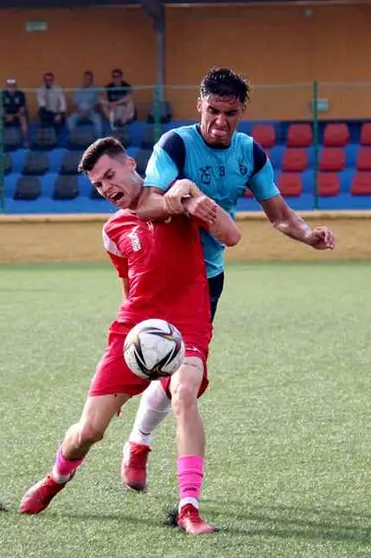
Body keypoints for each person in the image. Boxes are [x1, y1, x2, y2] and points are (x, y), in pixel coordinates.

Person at [119, 67, 337, 491]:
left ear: (242, 112)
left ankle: (138, 445)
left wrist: (308, 235)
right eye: (213, 111)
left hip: (207, 277)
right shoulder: (176, 144)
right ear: (199, 105)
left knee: (181, 373)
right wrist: (184, 201)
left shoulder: (250, 153)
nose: (220, 122)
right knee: (137, 368)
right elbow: (144, 204)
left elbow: (279, 215)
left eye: (230, 114)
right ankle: (88, 450)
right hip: (161, 271)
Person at [18, 137, 240, 535]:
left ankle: (188, 506)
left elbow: (231, 235)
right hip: (134, 329)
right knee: (90, 431)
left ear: (131, 165)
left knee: (184, 395)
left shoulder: (179, 194)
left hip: (188, 322)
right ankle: (55, 479)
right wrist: (138, 339)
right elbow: (129, 285)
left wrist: (193, 197)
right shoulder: (112, 230)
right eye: (99, 186)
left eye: (110, 175)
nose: (107, 188)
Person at [0, 78, 28, 147]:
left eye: (13, 86)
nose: (11, 87)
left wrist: (13, 116)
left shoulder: (21, 94)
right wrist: (6, 116)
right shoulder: (3, 94)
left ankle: (25, 140)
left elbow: (22, 109)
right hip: (7, 116)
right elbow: (1, 109)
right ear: (7, 86)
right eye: (9, 86)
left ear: (15, 86)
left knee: (23, 120)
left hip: (17, 115)